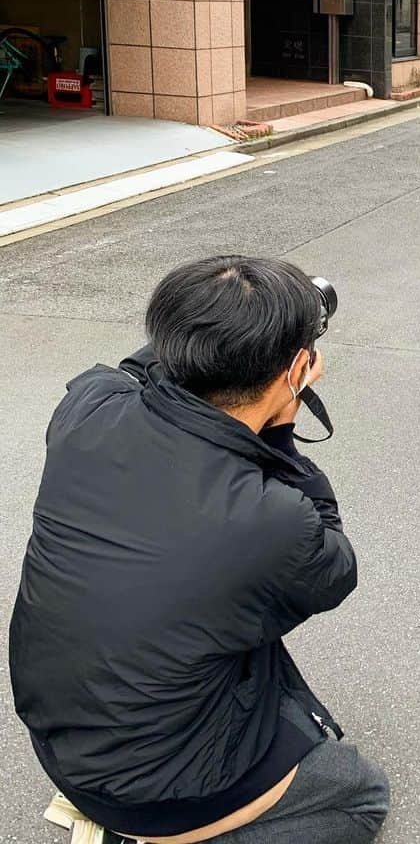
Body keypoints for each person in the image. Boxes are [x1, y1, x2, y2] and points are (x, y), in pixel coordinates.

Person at [9, 256, 389, 844]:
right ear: (295, 370)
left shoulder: (88, 406)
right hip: (151, 792)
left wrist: (231, 338)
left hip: (62, 743)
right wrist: (282, 423)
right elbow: (333, 567)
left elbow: (148, 366)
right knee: (357, 793)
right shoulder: (273, 520)